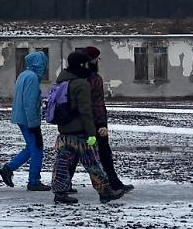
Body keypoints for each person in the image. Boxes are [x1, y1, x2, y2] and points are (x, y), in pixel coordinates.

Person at [49, 50, 127, 205]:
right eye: (86, 63)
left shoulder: (61, 81)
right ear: (82, 65)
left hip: (64, 131)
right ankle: (105, 192)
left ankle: (60, 193)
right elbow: (86, 112)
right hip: (79, 132)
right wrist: (92, 134)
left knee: (62, 163)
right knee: (93, 163)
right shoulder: (81, 84)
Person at [80, 46, 133, 195]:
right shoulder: (94, 79)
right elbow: (96, 103)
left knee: (75, 152)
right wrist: (102, 124)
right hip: (95, 123)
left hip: (79, 122)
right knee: (103, 153)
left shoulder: (76, 77)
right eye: (97, 58)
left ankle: (63, 185)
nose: (98, 61)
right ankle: (114, 184)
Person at [0, 51, 50, 191]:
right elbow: (30, 103)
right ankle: (34, 181)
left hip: (20, 117)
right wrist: (35, 125)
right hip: (28, 119)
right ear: (39, 64)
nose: (45, 68)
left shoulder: (23, 75)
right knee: (37, 149)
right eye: (44, 64)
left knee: (31, 147)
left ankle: (8, 168)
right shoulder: (33, 78)